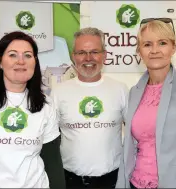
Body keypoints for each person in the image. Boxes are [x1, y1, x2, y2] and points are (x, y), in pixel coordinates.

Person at [0, 31, 65, 188]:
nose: (21, 61)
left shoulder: (46, 105)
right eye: (13, 55)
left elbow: (52, 161)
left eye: (28, 55)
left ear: (35, 62)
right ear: (0, 61)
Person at [116, 18, 176, 188]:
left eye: (162, 43)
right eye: (147, 44)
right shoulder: (135, 91)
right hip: (135, 182)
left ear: (173, 48)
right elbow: (130, 146)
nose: (155, 50)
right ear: (139, 51)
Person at [51, 27, 128, 188]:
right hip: (71, 181)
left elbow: (136, 133)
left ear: (104, 55)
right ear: (73, 57)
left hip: (112, 180)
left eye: (94, 52)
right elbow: (49, 140)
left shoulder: (120, 90)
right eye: (81, 53)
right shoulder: (58, 93)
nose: (88, 58)